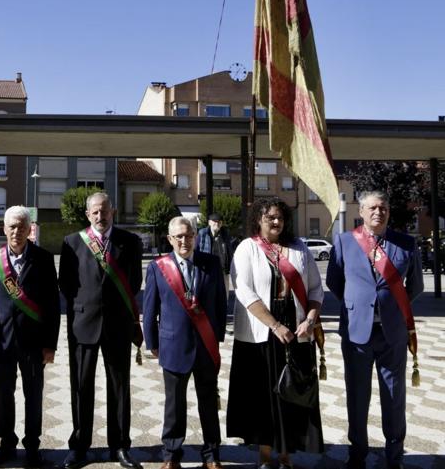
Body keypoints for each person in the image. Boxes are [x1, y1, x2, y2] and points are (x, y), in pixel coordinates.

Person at [326, 190, 424, 469]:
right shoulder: (345, 241)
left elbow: (415, 287)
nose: (378, 212)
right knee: (357, 396)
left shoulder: (406, 244)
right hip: (357, 332)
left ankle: (395, 455)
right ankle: (358, 453)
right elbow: (335, 282)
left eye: (383, 208)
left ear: (389, 212)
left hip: (392, 333)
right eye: (372, 208)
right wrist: (361, 304)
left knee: (394, 397)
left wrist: (390, 307)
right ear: (361, 211)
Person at [226, 197, 324, 469]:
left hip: (297, 330)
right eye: (270, 217)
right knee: (265, 396)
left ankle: (287, 454)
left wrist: (311, 319)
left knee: (293, 394)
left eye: (280, 217)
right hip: (261, 332)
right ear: (258, 219)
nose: (277, 222)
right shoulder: (247, 248)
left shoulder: (299, 248)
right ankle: (266, 455)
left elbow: (315, 289)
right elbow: (244, 291)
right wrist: (275, 325)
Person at [58, 191, 143, 469]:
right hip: (83, 325)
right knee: (81, 387)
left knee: (120, 388)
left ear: (113, 212)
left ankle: (119, 447)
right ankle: (79, 446)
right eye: (95, 212)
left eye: (104, 211)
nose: (100, 216)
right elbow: (66, 285)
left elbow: (134, 281)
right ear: (87, 215)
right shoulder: (72, 243)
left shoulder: (130, 242)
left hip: (117, 326)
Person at [0, 205, 61, 468]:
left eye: (21, 226)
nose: (16, 231)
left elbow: (52, 306)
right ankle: (6, 443)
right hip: (2, 342)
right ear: (4, 229)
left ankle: (33, 446)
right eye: (12, 226)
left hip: (34, 343)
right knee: (4, 394)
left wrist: (51, 345)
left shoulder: (44, 259)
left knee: (34, 395)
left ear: (29, 229)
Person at [143, 216, 227, 469]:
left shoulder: (211, 263)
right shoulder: (158, 267)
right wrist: (152, 342)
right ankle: (171, 455)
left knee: (209, 405)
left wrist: (218, 337)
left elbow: (221, 304)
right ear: (170, 239)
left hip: (205, 346)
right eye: (178, 236)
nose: (184, 240)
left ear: (195, 237)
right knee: (174, 406)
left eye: (188, 235)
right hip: (173, 345)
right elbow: (150, 308)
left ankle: (212, 455)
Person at [196, 213, 233, 294]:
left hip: (223, 271)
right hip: (208, 271)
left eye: (219, 221)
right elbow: (196, 250)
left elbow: (230, 251)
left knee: (224, 296)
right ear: (209, 222)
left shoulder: (225, 234)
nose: (217, 223)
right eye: (214, 221)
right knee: (209, 295)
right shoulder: (202, 234)